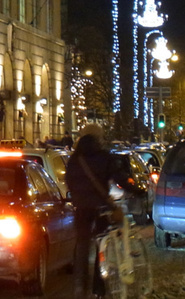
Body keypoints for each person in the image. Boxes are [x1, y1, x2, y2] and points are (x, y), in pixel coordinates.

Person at [64, 124, 131, 299]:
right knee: (102, 245)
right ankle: (99, 288)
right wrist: (136, 189)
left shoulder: (74, 160)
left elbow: (69, 183)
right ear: (99, 138)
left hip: (82, 209)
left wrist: (79, 198)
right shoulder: (105, 157)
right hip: (101, 208)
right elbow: (120, 178)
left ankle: (79, 288)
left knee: (82, 247)